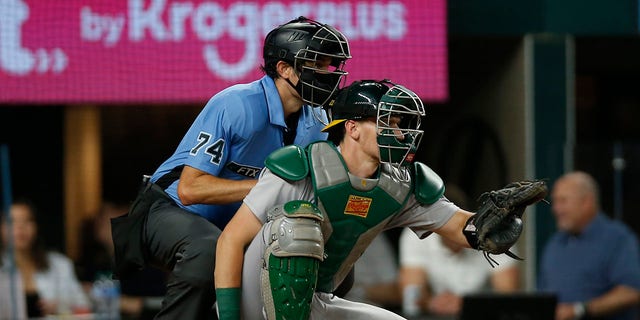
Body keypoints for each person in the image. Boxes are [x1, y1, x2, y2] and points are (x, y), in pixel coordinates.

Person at [214, 79, 538, 320]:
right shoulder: (300, 168)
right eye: (388, 122)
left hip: (314, 302)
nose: (398, 133)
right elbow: (230, 240)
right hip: (254, 303)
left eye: (399, 124)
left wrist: (487, 227)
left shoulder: (400, 185)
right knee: (297, 227)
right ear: (352, 128)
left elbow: (460, 227)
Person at [110, 16, 351, 319]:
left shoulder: (317, 121)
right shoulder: (236, 104)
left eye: (331, 66)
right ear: (284, 68)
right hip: (167, 209)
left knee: (328, 259)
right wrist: (269, 187)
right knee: (206, 251)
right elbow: (190, 188)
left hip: (236, 223)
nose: (328, 74)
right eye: (317, 64)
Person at [398, 184, 520, 317]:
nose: (453, 229)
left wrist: (468, 305)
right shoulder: (417, 233)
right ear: (437, 226)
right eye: (447, 223)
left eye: (458, 221)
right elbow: (411, 294)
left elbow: (507, 295)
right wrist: (431, 303)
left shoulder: (495, 233)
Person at [538, 171, 640, 320]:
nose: (556, 209)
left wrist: (579, 310)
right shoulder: (554, 244)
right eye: (555, 202)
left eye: (563, 201)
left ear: (587, 202)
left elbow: (632, 291)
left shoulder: (618, 239)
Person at [0, 199, 91, 318]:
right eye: (12, 221)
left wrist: (60, 306)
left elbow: (84, 304)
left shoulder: (59, 264)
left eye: (28, 220)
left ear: (37, 226)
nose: (20, 227)